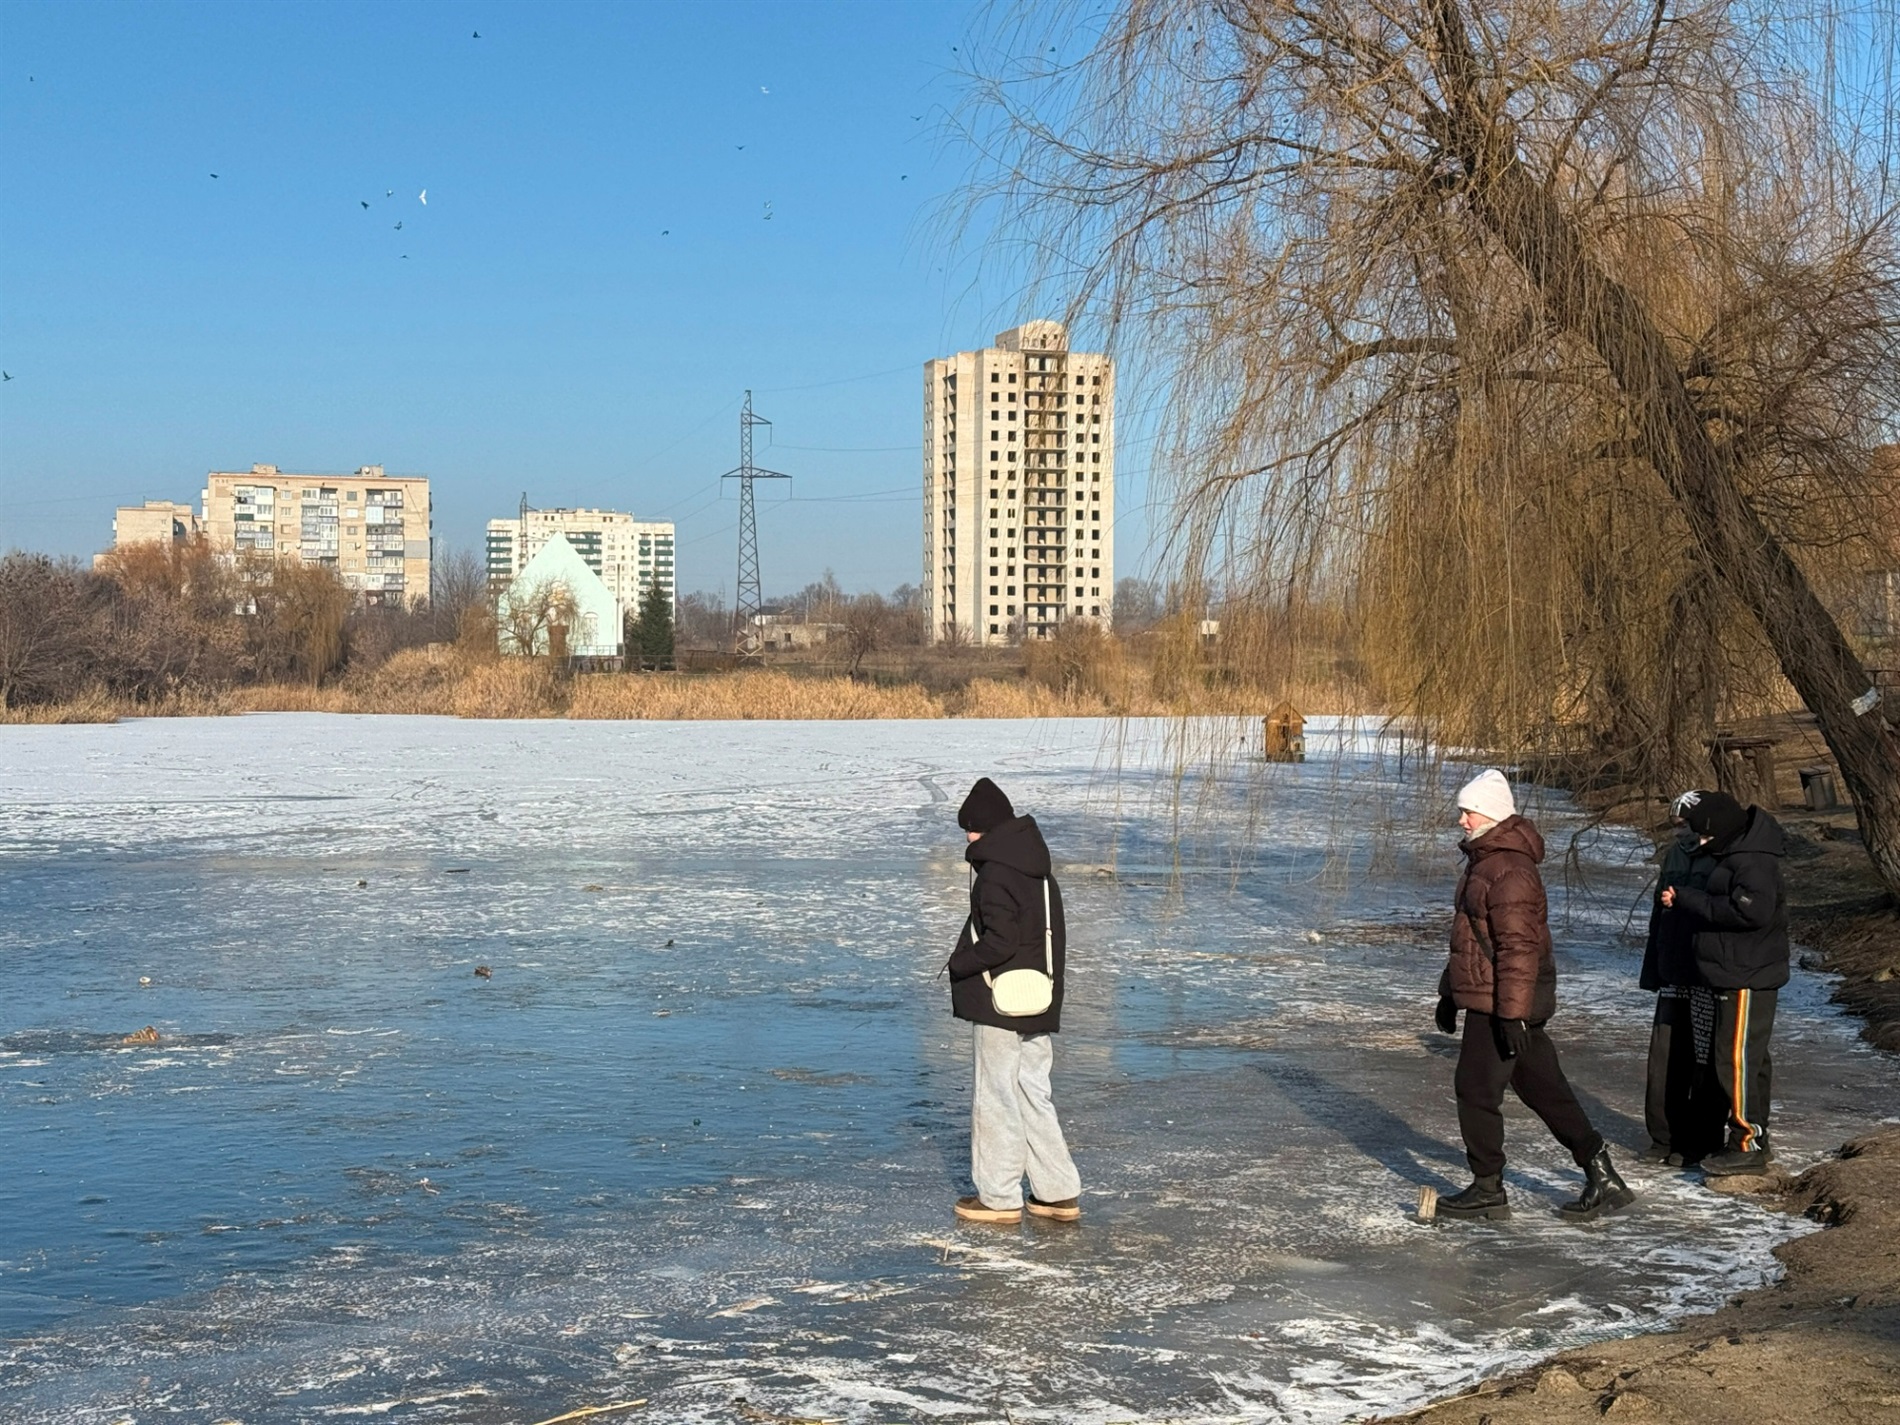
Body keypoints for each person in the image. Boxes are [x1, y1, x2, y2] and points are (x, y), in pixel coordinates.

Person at [1433, 769, 1634, 1222]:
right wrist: (1450, 993)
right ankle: (1602, 1174)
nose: (1462, 820)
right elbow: (1470, 938)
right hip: (1496, 997)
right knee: (1544, 1087)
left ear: (1492, 814)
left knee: (1475, 1089)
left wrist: (1512, 1016)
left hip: (1504, 1001)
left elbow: (1519, 949)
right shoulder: (1486, 863)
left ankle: (1488, 1189)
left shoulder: (1510, 870)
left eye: (1469, 811)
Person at [945, 777, 1082, 1225]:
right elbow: (1049, 939)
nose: (967, 836)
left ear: (988, 828)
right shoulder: (1038, 871)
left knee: (997, 1096)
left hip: (999, 1002)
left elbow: (1001, 941)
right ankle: (1057, 1192)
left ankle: (999, 1197)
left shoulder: (995, 875)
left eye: (972, 827)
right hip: (1037, 998)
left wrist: (962, 962)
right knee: (1033, 1092)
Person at [1660, 789, 1789, 1177]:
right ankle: (1753, 1138)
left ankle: (1745, 1142)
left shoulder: (1752, 861)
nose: (1699, 844)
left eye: (1702, 836)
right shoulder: (1739, 852)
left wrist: (1689, 900)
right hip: (1738, 970)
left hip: (1745, 974)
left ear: (1720, 830)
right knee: (1749, 1059)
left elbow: (1750, 912)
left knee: (1735, 1059)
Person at [1637, 798, 1724, 1165]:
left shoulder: (1722, 856)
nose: (1679, 831)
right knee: (1666, 1057)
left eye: (1685, 824)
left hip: (1706, 974)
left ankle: (1702, 1139)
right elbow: (1660, 914)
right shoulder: (1673, 856)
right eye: (1675, 824)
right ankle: (1664, 1136)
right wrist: (1653, 968)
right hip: (1673, 970)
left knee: (1705, 1056)